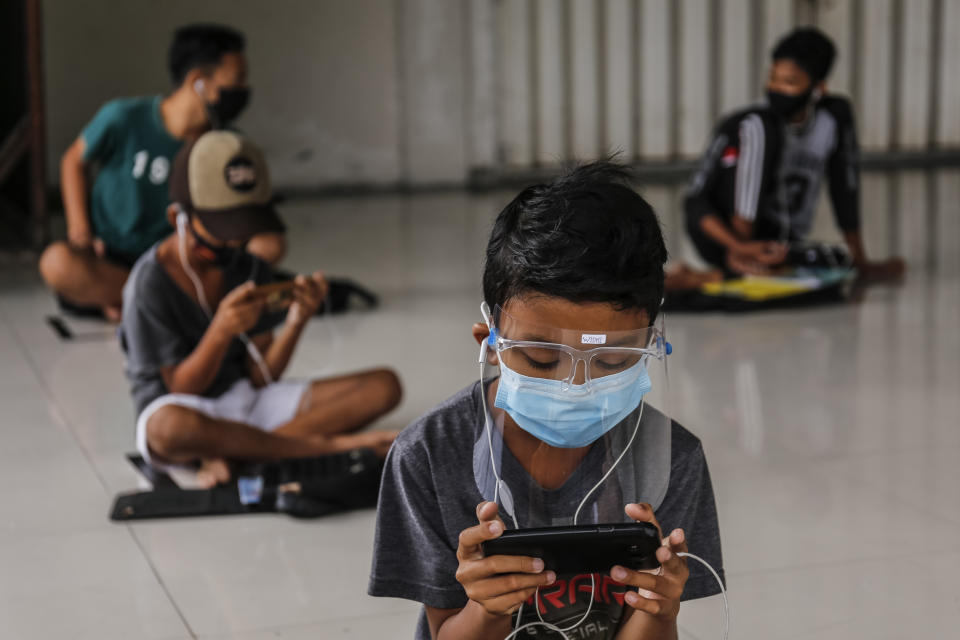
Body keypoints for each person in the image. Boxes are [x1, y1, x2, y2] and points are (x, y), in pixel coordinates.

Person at [369, 162, 723, 639]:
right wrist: (486, 608)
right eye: (540, 359)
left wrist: (658, 609)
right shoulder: (430, 456)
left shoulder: (670, 460)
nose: (575, 387)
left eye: (613, 362)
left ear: (649, 348)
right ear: (489, 343)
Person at [121, 130, 400, 487]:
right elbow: (182, 390)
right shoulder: (150, 283)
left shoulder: (247, 263)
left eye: (244, 224)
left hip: (247, 403)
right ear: (179, 215)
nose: (236, 239)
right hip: (185, 411)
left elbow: (261, 377)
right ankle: (330, 447)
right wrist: (221, 330)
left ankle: (243, 455)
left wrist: (298, 320)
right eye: (224, 226)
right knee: (168, 429)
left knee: (383, 386)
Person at [40, 24, 286, 321]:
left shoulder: (224, 144)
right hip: (112, 255)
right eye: (237, 80)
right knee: (57, 263)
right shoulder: (123, 118)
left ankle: (135, 303)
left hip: (180, 261)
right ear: (198, 80)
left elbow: (254, 229)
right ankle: (171, 303)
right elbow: (73, 161)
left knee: (269, 245)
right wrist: (81, 231)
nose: (243, 91)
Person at [683, 26, 904, 281]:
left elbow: (846, 189)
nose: (775, 88)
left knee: (836, 260)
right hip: (720, 234)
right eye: (773, 78)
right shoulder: (753, 125)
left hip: (779, 239)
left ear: (818, 88)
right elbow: (695, 203)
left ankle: (757, 266)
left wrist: (861, 261)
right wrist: (740, 248)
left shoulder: (833, 119)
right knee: (762, 129)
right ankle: (723, 270)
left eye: (789, 82)